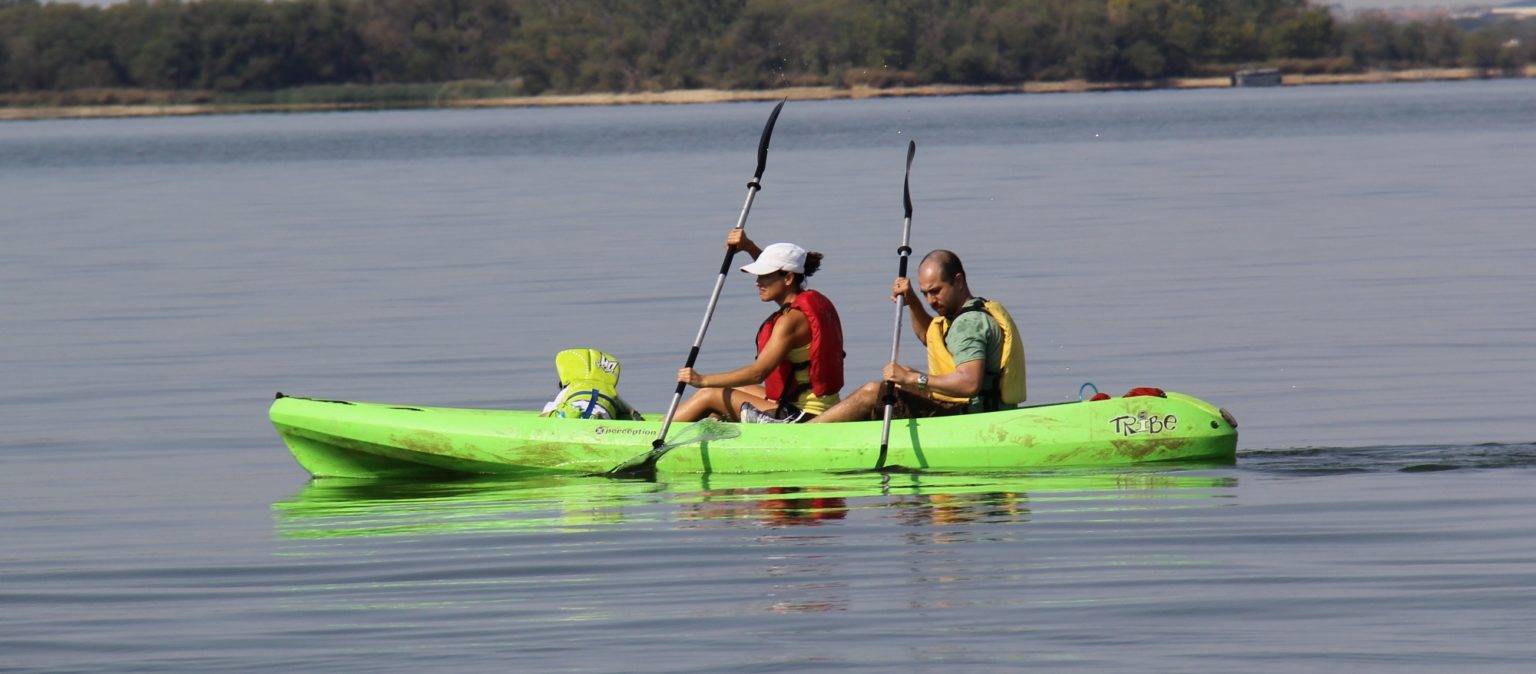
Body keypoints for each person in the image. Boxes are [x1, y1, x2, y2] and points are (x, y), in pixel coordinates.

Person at [808, 249, 1025, 423]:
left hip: (970, 419)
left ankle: (806, 435)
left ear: (958, 281)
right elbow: (930, 337)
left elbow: (969, 384)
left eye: (936, 291)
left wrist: (913, 378)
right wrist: (912, 300)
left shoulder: (968, 325)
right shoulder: (969, 313)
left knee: (872, 392)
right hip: (973, 409)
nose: (931, 300)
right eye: (925, 293)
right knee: (896, 385)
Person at [674, 230, 845, 423]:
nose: (757, 282)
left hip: (803, 416)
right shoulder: (805, 301)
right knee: (735, 390)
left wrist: (702, 380)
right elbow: (779, 273)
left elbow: (758, 373)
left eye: (763, 276)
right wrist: (749, 247)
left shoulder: (790, 321)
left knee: (709, 394)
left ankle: (648, 435)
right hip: (813, 404)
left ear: (788, 278)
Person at [540, 348, 644, 420]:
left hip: (575, 414)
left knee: (557, 412)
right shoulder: (611, 391)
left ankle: (589, 419)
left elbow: (550, 410)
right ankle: (596, 419)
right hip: (603, 417)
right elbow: (632, 412)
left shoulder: (572, 386)